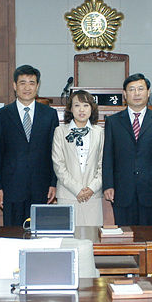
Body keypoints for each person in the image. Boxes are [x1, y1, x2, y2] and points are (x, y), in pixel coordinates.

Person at [0, 65, 59, 226]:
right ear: (15, 86)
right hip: (11, 187)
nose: (27, 87)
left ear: (37, 86)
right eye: (22, 83)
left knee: (40, 235)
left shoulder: (49, 114)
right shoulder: (1, 115)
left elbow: (55, 152)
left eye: (31, 83)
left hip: (41, 187)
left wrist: (53, 183)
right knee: (13, 236)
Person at [102, 73, 152, 226]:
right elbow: (108, 157)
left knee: (150, 237)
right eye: (132, 89)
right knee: (125, 237)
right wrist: (108, 184)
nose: (137, 93)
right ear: (125, 95)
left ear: (148, 92)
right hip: (122, 191)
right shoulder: (113, 122)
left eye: (141, 89)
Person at [52, 90, 105, 226]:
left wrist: (91, 188)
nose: (81, 109)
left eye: (86, 105)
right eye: (77, 105)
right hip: (67, 194)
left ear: (92, 109)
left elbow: (104, 164)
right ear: (70, 109)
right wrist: (77, 189)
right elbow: (58, 165)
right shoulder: (60, 131)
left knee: (92, 239)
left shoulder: (100, 132)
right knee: (68, 240)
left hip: (92, 196)